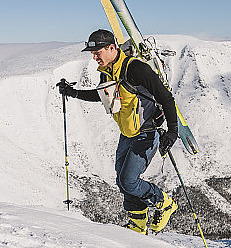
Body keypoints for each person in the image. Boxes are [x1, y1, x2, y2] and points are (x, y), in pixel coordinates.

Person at [57, 29, 179, 234]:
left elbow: (166, 97)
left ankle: (164, 203)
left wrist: (172, 132)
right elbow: (103, 96)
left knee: (128, 181)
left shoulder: (137, 69)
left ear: (111, 48)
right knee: (122, 180)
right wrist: (73, 92)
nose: (94, 57)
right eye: (92, 54)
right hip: (127, 133)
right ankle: (138, 224)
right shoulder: (107, 71)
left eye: (97, 53)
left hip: (147, 132)